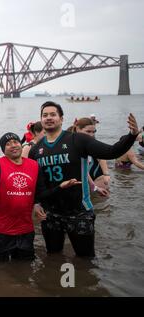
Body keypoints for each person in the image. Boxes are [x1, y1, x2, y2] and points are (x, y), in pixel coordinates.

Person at [28, 101, 140, 257]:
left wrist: (132, 135)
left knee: (85, 259)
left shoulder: (78, 140)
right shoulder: (35, 151)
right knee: (53, 256)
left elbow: (111, 152)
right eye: (44, 115)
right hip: (51, 213)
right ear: (41, 119)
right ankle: (59, 281)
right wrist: (36, 203)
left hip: (79, 211)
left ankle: (81, 281)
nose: (48, 118)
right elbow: (38, 183)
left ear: (61, 119)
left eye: (53, 114)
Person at [0, 132, 80, 262]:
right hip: (3, 230)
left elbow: (40, 194)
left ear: (21, 144)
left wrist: (60, 187)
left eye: (15, 142)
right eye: (8, 144)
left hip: (25, 228)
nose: (13, 145)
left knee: (24, 267)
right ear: (3, 150)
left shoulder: (34, 165)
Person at [68, 118, 110, 194]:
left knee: (102, 199)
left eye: (93, 132)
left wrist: (106, 174)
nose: (91, 135)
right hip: (82, 175)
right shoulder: (71, 143)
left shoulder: (92, 140)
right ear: (78, 129)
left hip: (95, 172)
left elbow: (101, 157)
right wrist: (94, 187)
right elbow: (82, 169)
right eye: (88, 131)